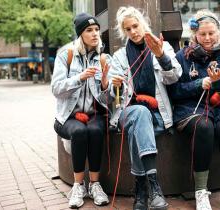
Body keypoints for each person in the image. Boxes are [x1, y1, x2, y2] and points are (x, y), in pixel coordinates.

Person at [168, 9, 220, 210]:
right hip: (191, 107)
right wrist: (198, 85)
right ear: (195, 34)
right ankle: (201, 192)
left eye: (211, 33)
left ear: (219, 32)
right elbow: (174, 91)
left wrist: (219, 82)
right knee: (204, 127)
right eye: (202, 34)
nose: (207, 38)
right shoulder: (182, 56)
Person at [107, 6, 182, 210]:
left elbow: (174, 77)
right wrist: (114, 85)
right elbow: (110, 96)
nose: (133, 31)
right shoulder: (120, 56)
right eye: (128, 29)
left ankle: (140, 191)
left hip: (158, 115)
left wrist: (161, 56)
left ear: (143, 24)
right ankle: (154, 186)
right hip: (127, 112)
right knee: (139, 113)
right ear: (124, 32)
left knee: (137, 129)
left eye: (135, 26)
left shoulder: (162, 47)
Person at [51, 13, 110, 208]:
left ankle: (95, 184)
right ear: (80, 34)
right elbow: (56, 89)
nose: (95, 34)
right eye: (89, 30)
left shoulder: (103, 58)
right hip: (68, 116)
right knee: (79, 131)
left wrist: (104, 84)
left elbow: (108, 100)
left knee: (94, 130)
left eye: (96, 30)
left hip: (94, 114)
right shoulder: (66, 55)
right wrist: (79, 78)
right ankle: (78, 186)